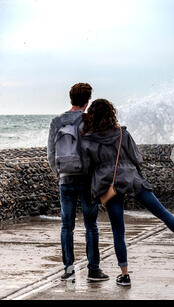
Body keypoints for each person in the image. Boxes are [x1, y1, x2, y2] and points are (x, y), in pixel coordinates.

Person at [80, 98, 174, 286]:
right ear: (111, 114)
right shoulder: (122, 134)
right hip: (132, 177)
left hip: (109, 185)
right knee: (161, 212)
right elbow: (136, 158)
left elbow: (87, 166)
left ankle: (125, 275)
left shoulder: (89, 140)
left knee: (118, 231)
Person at [47, 83, 109, 282]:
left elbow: (50, 153)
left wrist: (59, 173)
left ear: (70, 98)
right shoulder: (89, 120)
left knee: (67, 226)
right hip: (87, 179)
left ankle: (69, 269)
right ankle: (93, 270)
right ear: (88, 100)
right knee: (91, 225)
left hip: (65, 179)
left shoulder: (57, 121)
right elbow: (97, 151)